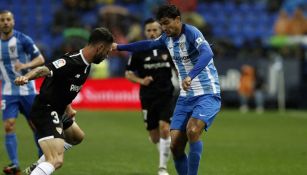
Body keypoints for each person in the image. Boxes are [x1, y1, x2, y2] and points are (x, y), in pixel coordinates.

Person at [112, 5, 221, 175]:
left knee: (192, 130)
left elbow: (207, 53)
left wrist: (190, 76)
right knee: (175, 145)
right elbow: (146, 45)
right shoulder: (166, 39)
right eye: (161, 24)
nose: (163, 28)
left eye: (166, 23)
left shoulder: (192, 33)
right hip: (186, 98)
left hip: (207, 93)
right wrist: (119, 47)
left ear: (178, 19)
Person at [14, 27, 113, 175]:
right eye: (107, 51)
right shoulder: (71, 61)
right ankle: (43, 165)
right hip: (46, 110)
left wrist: (69, 108)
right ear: (99, 48)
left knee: (77, 136)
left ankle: (36, 167)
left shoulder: (86, 63)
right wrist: (27, 77)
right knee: (56, 160)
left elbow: (63, 86)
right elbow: (45, 69)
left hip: (59, 109)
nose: (107, 56)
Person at [125, 18, 175, 175]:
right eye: (149, 30)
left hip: (166, 94)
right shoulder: (139, 51)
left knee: (165, 128)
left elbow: (179, 68)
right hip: (147, 96)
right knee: (154, 137)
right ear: (145, 32)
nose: (152, 33)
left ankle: (162, 168)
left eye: (155, 30)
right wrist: (141, 80)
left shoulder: (169, 47)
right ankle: (166, 151)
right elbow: (128, 73)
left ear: (160, 30)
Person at [0, 10, 45, 175]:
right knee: (8, 125)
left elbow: (40, 60)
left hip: (28, 91)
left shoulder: (23, 39)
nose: (5, 22)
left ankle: (42, 162)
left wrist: (25, 67)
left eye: (8, 19)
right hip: (8, 91)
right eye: (2, 20)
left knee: (36, 127)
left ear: (13, 22)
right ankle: (15, 165)